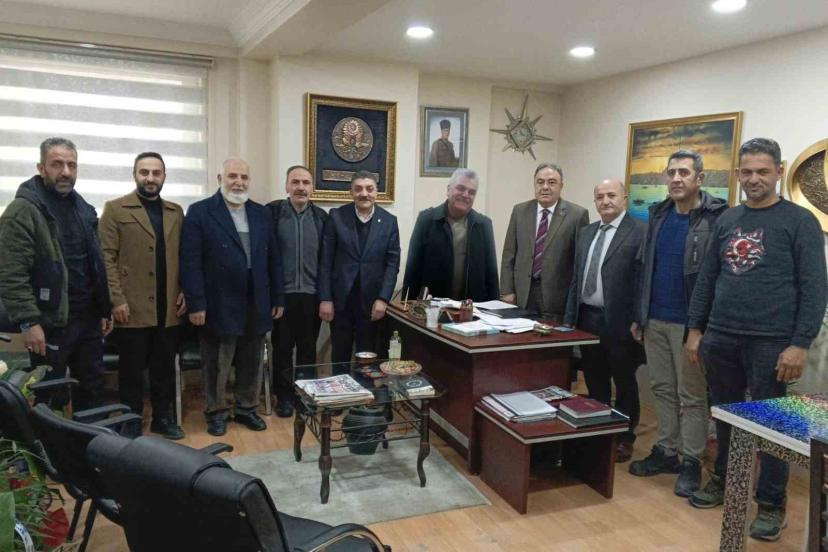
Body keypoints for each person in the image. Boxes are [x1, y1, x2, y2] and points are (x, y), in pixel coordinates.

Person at [685, 138, 827, 541]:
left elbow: (815, 287)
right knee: (725, 416)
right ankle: (725, 481)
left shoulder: (800, 221)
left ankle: (770, 503)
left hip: (773, 343)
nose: (754, 179)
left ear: (778, 171)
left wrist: (800, 343)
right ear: (737, 174)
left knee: (773, 427)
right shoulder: (728, 219)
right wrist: (696, 330)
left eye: (762, 171)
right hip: (721, 336)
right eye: (746, 172)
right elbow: (707, 279)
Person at [628, 150, 727, 496]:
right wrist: (639, 316)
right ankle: (667, 450)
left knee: (692, 396)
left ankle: (691, 460)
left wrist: (701, 328)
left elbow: (716, 279)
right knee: (661, 388)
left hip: (690, 327)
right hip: (654, 320)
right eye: (671, 173)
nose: (676, 179)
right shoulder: (658, 214)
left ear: (700, 178)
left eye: (684, 172)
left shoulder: (716, 218)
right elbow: (645, 269)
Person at [0, 137, 111, 410]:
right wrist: (29, 323)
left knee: (93, 391)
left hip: (88, 319)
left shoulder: (82, 209)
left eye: (72, 165)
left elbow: (95, 264)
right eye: (57, 164)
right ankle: (53, 440)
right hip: (50, 323)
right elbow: (11, 274)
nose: (66, 172)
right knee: (51, 397)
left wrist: (104, 307)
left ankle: (91, 438)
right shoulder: (22, 211)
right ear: (41, 168)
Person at [180, 158, 284, 437]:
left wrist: (277, 297)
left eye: (244, 177)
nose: (239, 182)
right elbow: (190, 262)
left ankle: (247, 408)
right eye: (233, 176)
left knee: (252, 360)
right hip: (218, 302)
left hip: (256, 300)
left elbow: (273, 259)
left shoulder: (262, 213)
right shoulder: (201, 212)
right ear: (220, 179)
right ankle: (216, 412)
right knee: (217, 362)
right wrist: (196, 303)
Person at [98, 152, 187, 439]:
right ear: (135, 175)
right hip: (131, 306)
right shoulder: (115, 209)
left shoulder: (175, 212)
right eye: (144, 172)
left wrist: (185, 290)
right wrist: (116, 299)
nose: (150, 178)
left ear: (164, 176)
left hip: (168, 306)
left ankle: (163, 418)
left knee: (164, 368)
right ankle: (131, 419)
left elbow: (185, 256)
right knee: (131, 371)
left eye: (156, 173)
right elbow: (106, 258)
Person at [564, 179, 646, 462]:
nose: (606, 201)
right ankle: (599, 430)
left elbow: (642, 282)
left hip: (621, 322)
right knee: (595, 379)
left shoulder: (639, 232)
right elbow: (576, 279)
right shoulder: (586, 233)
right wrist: (569, 319)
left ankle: (624, 436)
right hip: (587, 318)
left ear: (625, 198)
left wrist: (639, 319)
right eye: (600, 196)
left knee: (624, 382)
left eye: (612, 195)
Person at [319, 171, 400, 364]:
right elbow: (326, 261)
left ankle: (364, 386)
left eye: (369, 189)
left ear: (376, 192)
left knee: (368, 358)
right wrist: (325, 298)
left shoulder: (389, 221)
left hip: (372, 303)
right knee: (340, 356)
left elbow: (392, 264)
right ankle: (341, 385)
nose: (364, 193)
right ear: (351, 192)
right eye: (358, 189)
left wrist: (383, 299)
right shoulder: (337, 216)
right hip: (341, 301)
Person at [267, 165, 328, 418]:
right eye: (295, 182)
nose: (300, 187)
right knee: (282, 348)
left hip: (311, 296)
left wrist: (325, 297)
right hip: (282, 297)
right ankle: (283, 396)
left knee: (307, 348)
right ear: (286, 186)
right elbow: (266, 257)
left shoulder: (322, 218)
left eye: (305, 182)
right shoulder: (272, 213)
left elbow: (327, 262)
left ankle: (304, 394)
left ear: (312, 187)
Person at [501, 163, 589, 320]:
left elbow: (579, 263)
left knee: (552, 336)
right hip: (522, 295)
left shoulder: (577, 215)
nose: (545, 187)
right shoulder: (520, 211)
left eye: (552, 182)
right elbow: (509, 254)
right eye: (540, 182)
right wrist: (507, 291)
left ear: (561, 186)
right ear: (534, 184)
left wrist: (572, 304)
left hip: (557, 299)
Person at [402, 168, 498, 301]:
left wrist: (494, 308)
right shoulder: (427, 220)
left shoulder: (484, 225)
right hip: (432, 305)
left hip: (472, 308)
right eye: (461, 188)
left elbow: (491, 274)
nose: (466, 195)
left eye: (471, 192)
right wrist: (407, 304)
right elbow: (413, 268)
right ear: (448, 190)